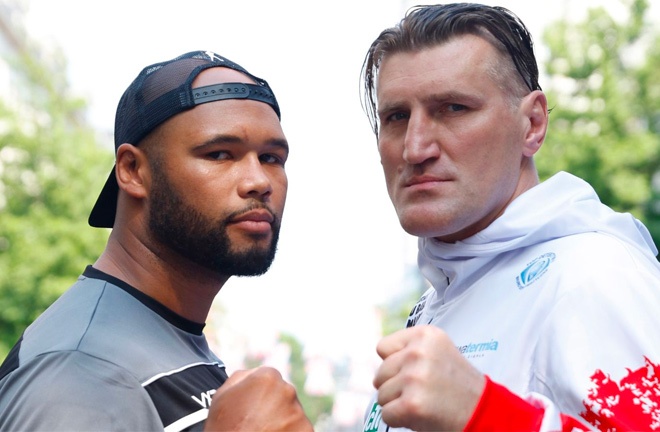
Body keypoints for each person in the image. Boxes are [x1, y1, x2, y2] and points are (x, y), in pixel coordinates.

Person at [359, 3, 660, 431]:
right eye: (396, 117)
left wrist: (485, 414)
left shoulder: (593, 275)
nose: (414, 147)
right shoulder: (437, 300)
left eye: (453, 108)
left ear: (533, 123)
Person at [0, 50, 312, 431]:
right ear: (132, 170)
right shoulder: (82, 370)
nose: (259, 182)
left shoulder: (170, 339)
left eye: (271, 158)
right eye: (219, 154)